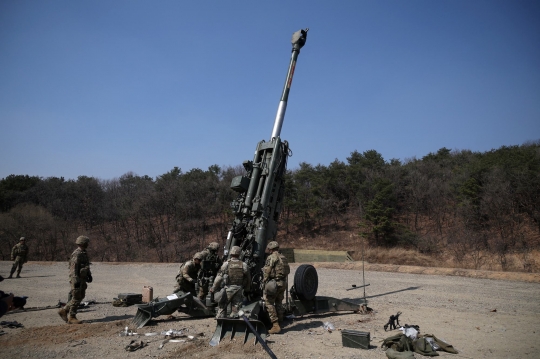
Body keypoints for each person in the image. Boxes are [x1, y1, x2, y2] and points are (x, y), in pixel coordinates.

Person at [58, 235, 92, 324]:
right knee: (76, 297)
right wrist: (75, 280)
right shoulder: (77, 254)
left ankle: (64, 310)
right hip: (77, 279)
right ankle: (72, 317)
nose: (88, 244)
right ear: (83, 243)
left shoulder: (84, 253)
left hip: (82, 278)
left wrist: (89, 275)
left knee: (81, 296)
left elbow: (85, 265)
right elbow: (73, 268)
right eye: (86, 243)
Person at [210, 245, 251, 318]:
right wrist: (247, 289)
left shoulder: (226, 264)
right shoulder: (244, 265)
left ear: (231, 253)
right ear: (239, 254)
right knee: (236, 309)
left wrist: (214, 287)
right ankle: (233, 322)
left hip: (228, 289)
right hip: (239, 289)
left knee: (222, 307)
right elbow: (248, 278)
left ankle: (221, 322)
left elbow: (219, 277)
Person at [262, 241, 290, 334]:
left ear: (271, 249)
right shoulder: (283, 257)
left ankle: (275, 325)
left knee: (269, 303)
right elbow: (288, 271)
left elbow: (267, 270)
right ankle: (280, 322)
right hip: (283, 283)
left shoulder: (271, 257)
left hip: (275, 283)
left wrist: (264, 281)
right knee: (279, 302)